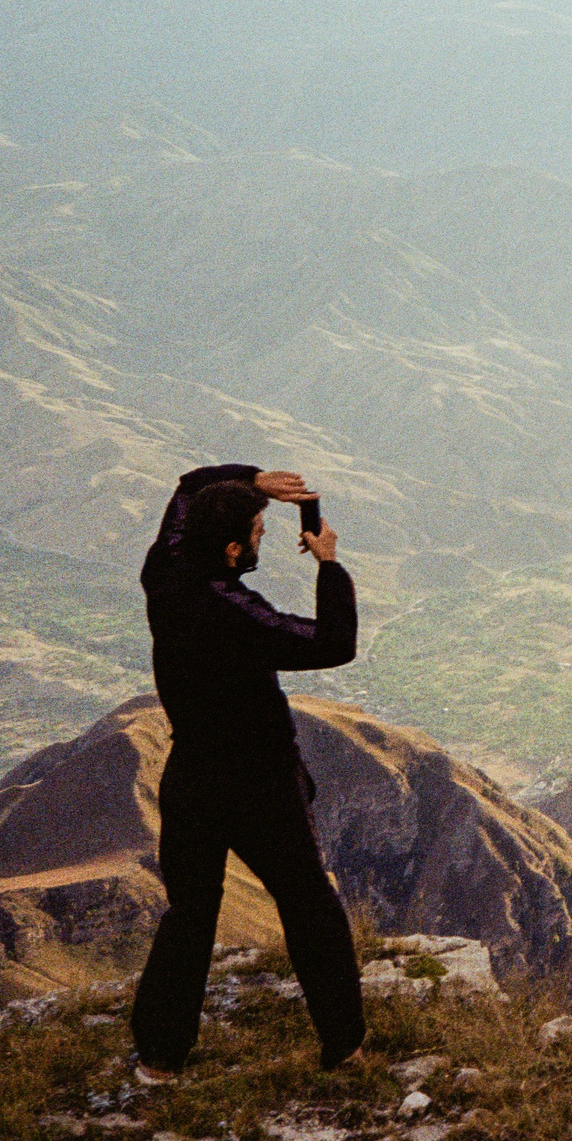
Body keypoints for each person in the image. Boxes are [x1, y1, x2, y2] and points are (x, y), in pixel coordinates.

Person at [128, 463, 363, 1081]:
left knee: (190, 915)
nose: (263, 538)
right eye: (258, 533)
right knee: (309, 904)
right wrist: (329, 565)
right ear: (232, 550)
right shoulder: (232, 610)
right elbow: (333, 643)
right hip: (259, 783)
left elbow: (184, 487)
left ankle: (158, 1058)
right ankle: (345, 1046)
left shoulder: (165, 570)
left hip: (191, 776)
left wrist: (256, 479)